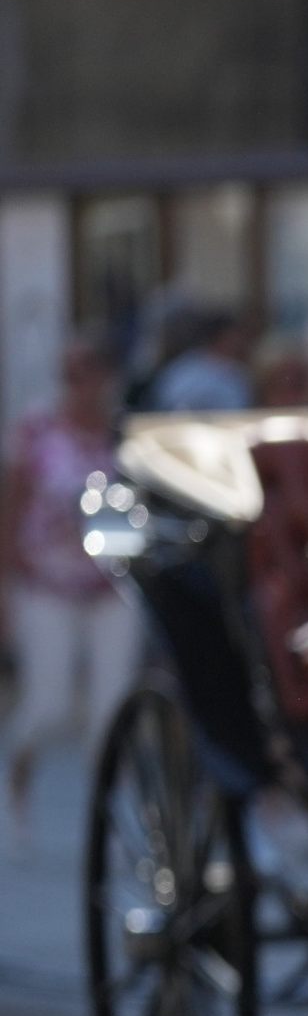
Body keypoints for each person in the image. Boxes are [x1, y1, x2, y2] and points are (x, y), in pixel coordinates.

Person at [6, 341, 141, 825]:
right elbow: (12, 506)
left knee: (112, 709)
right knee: (50, 705)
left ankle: (110, 819)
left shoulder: (125, 434)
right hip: (48, 582)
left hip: (111, 585)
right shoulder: (38, 431)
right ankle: (21, 763)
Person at [146, 307, 257, 413]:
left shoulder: (239, 372)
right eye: (232, 337)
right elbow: (169, 405)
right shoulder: (186, 370)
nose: (238, 343)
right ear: (219, 337)